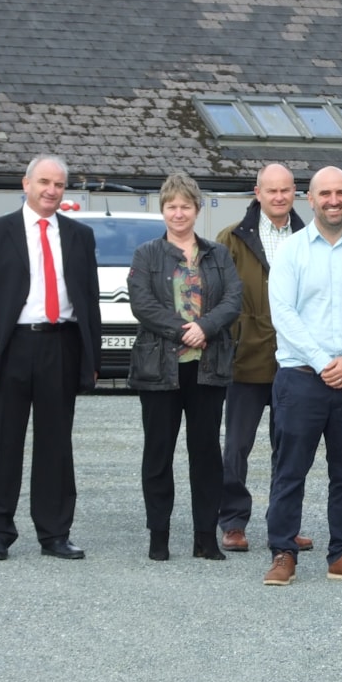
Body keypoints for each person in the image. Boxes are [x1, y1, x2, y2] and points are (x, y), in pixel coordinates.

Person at [0, 154, 101, 561]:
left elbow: (89, 301)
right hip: (10, 348)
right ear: (25, 184)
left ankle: (55, 533)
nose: (51, 191)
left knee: (56, 444)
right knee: (1, 443)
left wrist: (90, 356)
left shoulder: (79, 236)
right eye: (44, 182)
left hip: (61, 346)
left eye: (59, 184)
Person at [262, 166, 342, 586]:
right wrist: (322, 362)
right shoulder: (292, 252)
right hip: (300, 378)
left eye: (341, 193)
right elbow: (284, 314)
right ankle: (283, 553)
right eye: (324, 194)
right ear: (310, 199)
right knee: (289, 470)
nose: (333, 200)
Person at [127, 172, 242, 561]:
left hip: (207, 368)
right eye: (171, 206)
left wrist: (205, 328)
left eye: (185, 206)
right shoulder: (147, 254)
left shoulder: (217, 254)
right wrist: (182, 331)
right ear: (163, 210)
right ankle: (158, 536)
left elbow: (233, 298)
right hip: (159, 369)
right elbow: (142, 304)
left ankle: (205, 537)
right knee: (158, 454)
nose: (178, 213)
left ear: (197, 209)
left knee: (206, 454)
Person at [216, 163, 313, 554]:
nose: (278, 197)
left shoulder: (309, 238)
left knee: (290, 446)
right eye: (270, 190)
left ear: (295, 194)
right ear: (257, 193)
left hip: (295, 360)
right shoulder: (231, 239)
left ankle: (283, 525)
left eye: (285, 190)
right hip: (245, 359)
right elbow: (216, 296)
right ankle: (234, 521)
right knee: (237, 446)